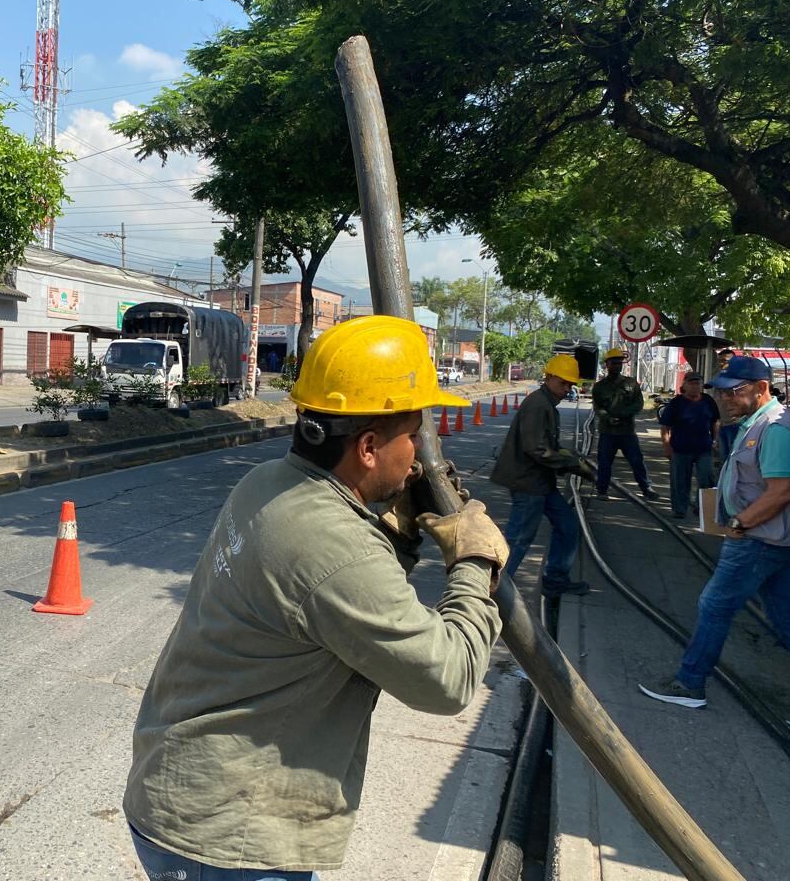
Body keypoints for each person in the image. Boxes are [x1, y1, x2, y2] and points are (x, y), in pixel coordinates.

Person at [123, 315, 506, 878]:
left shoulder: (267, 482)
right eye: (415, 433)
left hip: (184, 792)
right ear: (370, 447)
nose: (422, 455)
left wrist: (394, 536)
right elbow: (446, 680)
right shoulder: (336, 550)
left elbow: (338, 604)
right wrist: (474, 566)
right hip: (228, 838)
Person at [639, 355, 790, 730]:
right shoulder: (757, 423)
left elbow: (780, 492)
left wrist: (740, 521)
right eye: (721, 392)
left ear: (761, 388)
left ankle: (689, 683)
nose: (725, 399)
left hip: (761, 539)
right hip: (773, 538)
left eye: (734, 392)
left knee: (715, 604)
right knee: (786, 618)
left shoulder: (776, 429)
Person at [490, 353, 596, 596]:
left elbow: (546, 445)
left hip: (541, 482)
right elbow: (536, 448)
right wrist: (571, 462)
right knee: (518, 539)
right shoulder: (539, 405)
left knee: (568, 526)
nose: (567, 388)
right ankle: (496, 593)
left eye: (570, 384)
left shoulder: (547, 403)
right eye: (562, 382)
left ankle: (556, 580)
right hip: (528, 482)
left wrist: (571, 458)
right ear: (548, 377)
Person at [592, 347, 661, 502]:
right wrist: (608, 418)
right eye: (613, 363)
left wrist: (623, 414)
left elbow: (638, 403)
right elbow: (597, 407)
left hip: (627, 432)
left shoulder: (631, 384)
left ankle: (646, 488)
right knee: (604, 462)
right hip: (607, 432)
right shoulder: (599, 387)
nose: (617, 365)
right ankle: (602, 490)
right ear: (607, 365)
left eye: (619, 363)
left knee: (637, 461)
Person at [658, 371, 721, 520]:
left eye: (698, 383)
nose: (695, 386)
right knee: (680, 480)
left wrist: (715, 440)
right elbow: (665, 426)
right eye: (691, 383)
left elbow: (715, 422)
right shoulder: (676, 403)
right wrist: (666, 446)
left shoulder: (708, 401)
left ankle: (703, 508)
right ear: (684, 386)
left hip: (703, 448)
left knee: (706, 478)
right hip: (680, 448)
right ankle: (680, 509)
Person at [715, 348, 741, 460]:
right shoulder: (719, 378)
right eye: (719, 361)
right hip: (722, 424)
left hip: (736, 424)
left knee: (733, 459)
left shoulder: (739, 379)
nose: (721, 364)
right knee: (724, 461)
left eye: (724, 360)